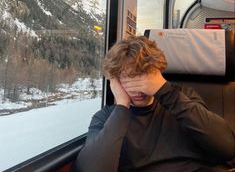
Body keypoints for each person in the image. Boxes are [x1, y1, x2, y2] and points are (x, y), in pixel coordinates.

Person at [72, 36, 235, 172]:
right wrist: (122, 106)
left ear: (157, 73)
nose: (137, 86)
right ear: (115, 82)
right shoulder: (106, 118)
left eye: (143, 74)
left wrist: (165, 90)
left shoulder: (182, 96)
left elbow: (227, 147)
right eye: (127, 77)